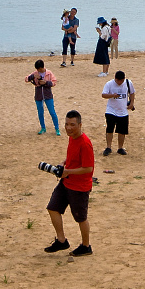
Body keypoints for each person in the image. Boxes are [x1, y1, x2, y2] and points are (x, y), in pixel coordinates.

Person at [44, 110, 94, 257]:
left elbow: (88, 168)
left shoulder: (85, 143)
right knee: (53, 208)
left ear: (80, 125)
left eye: (72, 125)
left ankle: (86, 246)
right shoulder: (72, 138)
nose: (68, 128)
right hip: (66, 182)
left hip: (79, 187)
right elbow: (72, 157)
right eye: (66, 124)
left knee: (81, 218)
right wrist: (63, 163)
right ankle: (61, 240)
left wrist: (68, 171)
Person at [100, 70, 135, 156]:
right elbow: (103, 95)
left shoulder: (128, 83)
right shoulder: (109, 84)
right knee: (110, 129)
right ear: (115, 79)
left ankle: (120, 148)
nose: (119, 82)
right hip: (111, 110)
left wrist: (131, 103)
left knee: (122, 131)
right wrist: (112, 95)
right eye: (118, 80)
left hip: (123, 111)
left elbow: (132, 93)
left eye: (121, 81)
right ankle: (108, 147)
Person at [26, 59, 60, 135]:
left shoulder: (49, 73)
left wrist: (45, 82)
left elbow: (54, 82)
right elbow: (26, 79)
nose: (38, 70)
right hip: (38, 95)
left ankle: (57, 128)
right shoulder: (35, 73)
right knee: (40, 112)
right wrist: (33, 76)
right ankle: (43, 128)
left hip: (48, 95)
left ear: (42, 67)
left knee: (52, 112)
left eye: (39, 69)